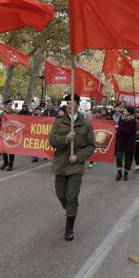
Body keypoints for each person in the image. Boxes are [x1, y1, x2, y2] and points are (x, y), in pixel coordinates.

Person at [49, 94, 96, 241]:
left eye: (72, 103)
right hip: (61, 164)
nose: (69, 105)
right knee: (60, 194)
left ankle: (69, 228)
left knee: (72, 196)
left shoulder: (86, 124)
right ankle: (69, 208)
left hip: (75, 165)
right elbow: (52, 141)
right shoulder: (59, 122)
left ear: (78, 105)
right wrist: (66, 139)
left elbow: (90, 146)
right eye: (67, 103)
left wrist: (78, 157)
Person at [115, 105, 137, 181]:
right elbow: (121, 130)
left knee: (128, 158)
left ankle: (126, 173)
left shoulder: (133, 120)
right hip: (121, 140)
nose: (123, 112)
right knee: (118, 156)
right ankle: (119, 172)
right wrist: (118, 129)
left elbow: (129, 131)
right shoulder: (121, 118)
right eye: (123, 111)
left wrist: (119, 128)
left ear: (129, 112)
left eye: (124, 111)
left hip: (129, 141)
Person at [0, 99, 17, 171]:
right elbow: (0, 124)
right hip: (4, 133)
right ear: (5, 106)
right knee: (3, 149)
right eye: (7, 105)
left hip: (12, 134)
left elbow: (16, 123)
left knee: (11, 150)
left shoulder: (14, 113)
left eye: (10, 105)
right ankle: (5, 162)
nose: (8, 106)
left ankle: (11, 165)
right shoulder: (3, 114)